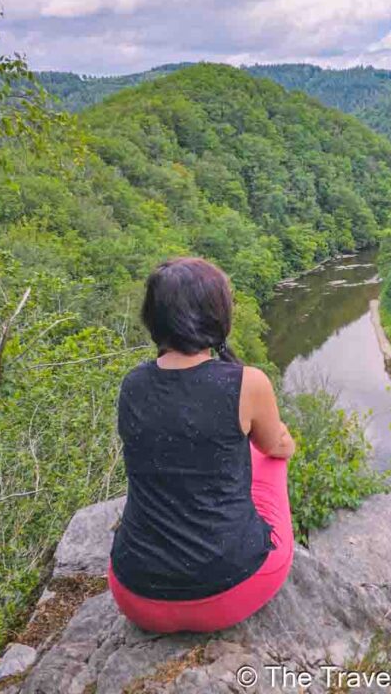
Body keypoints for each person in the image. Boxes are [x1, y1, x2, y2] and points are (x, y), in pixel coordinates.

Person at [107, 257, 295, 633]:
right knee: (269, 457)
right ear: (217, 315)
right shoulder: (247, 382)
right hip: (232, 590)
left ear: (154, 319)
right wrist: (281, 437)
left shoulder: (132, 385)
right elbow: (280, 448)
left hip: (135, 594)